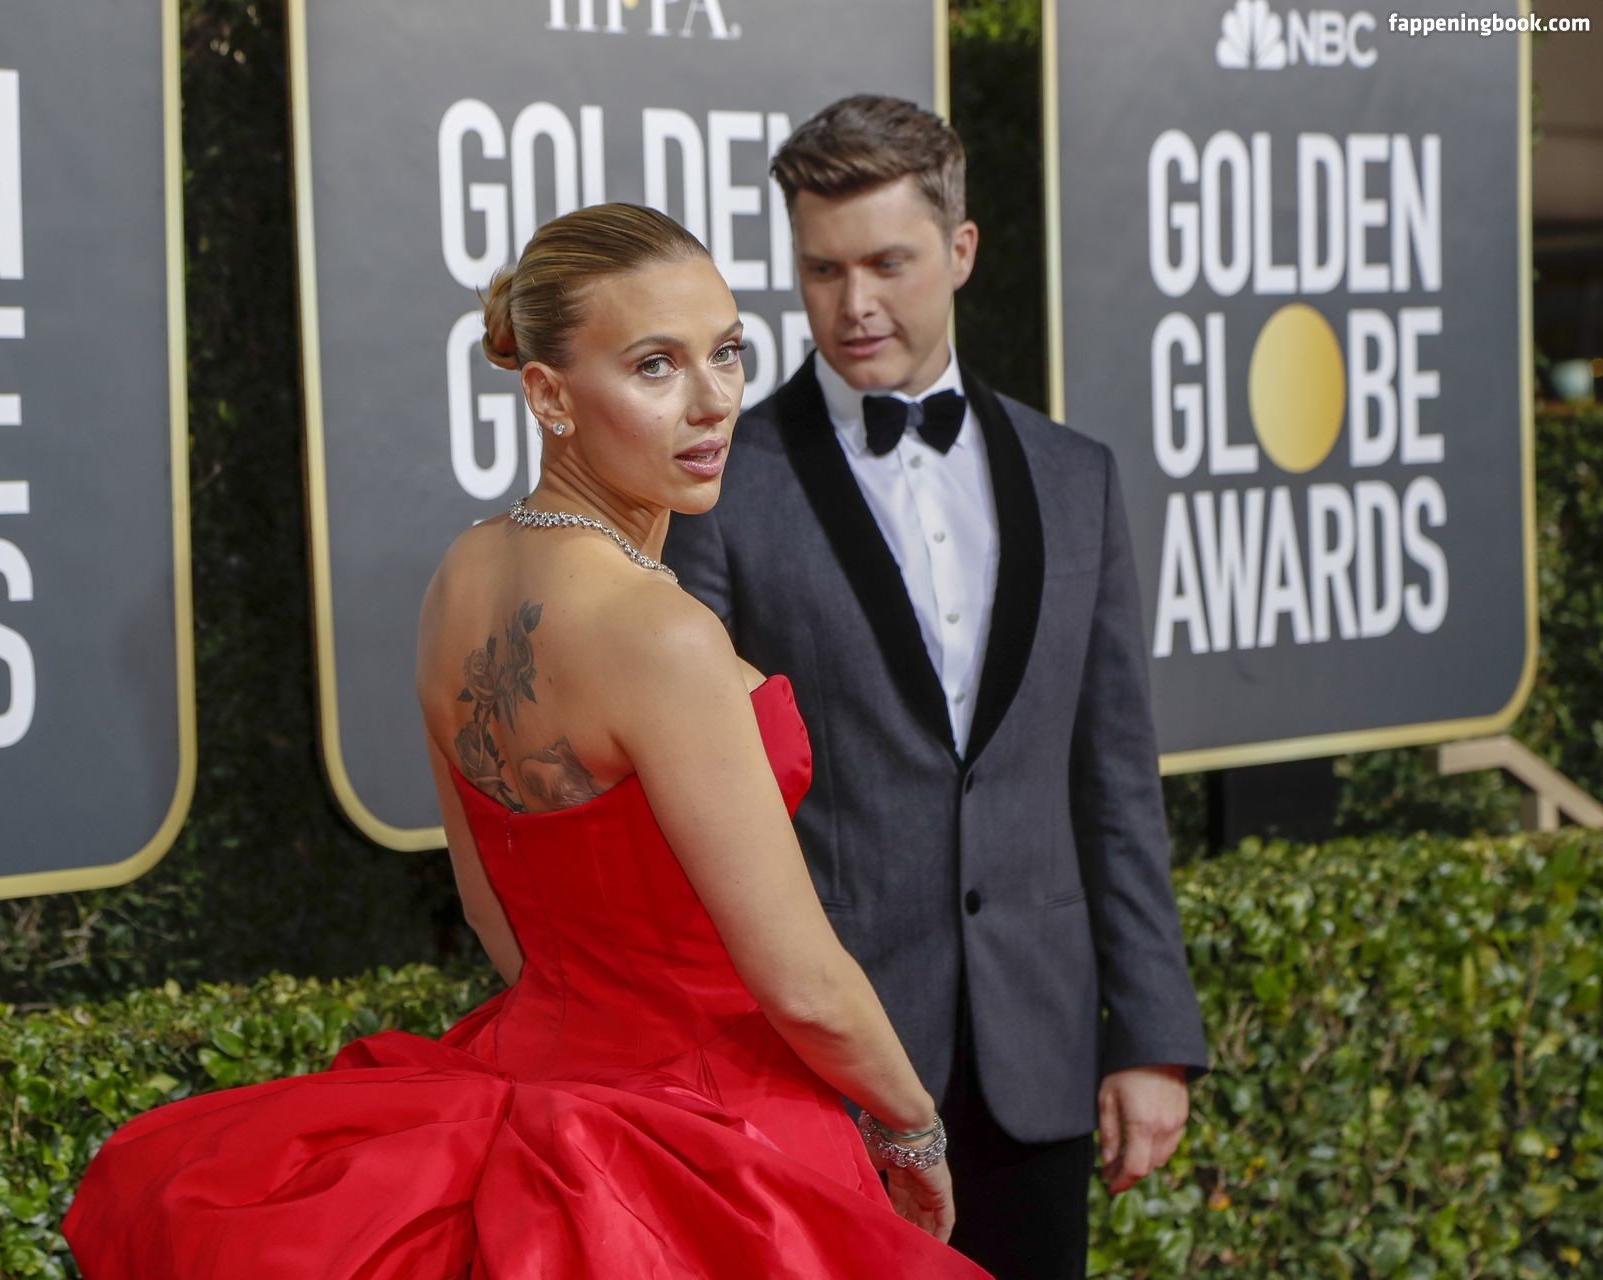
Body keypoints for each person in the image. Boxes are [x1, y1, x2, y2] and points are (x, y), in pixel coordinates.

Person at [61, 202, 993, 1279]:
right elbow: (803, 984)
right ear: (548, 395)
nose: (712, 401)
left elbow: (492, 914)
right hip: (715, 1138)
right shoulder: (659, 633)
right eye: (655, 366)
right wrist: (913, 1130)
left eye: (728, 351)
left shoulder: (460, 578)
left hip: (536, 1091)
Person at [661, 95, 1211, 1280]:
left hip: (1037, 1057)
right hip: (824, 1073)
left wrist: (1152, 1035)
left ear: (960, 250)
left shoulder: (1075, 475)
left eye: (887, 264)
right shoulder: (723, 487)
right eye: (822, 269)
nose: (853, 303)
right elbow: (698, 799)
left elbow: (1115, 776)